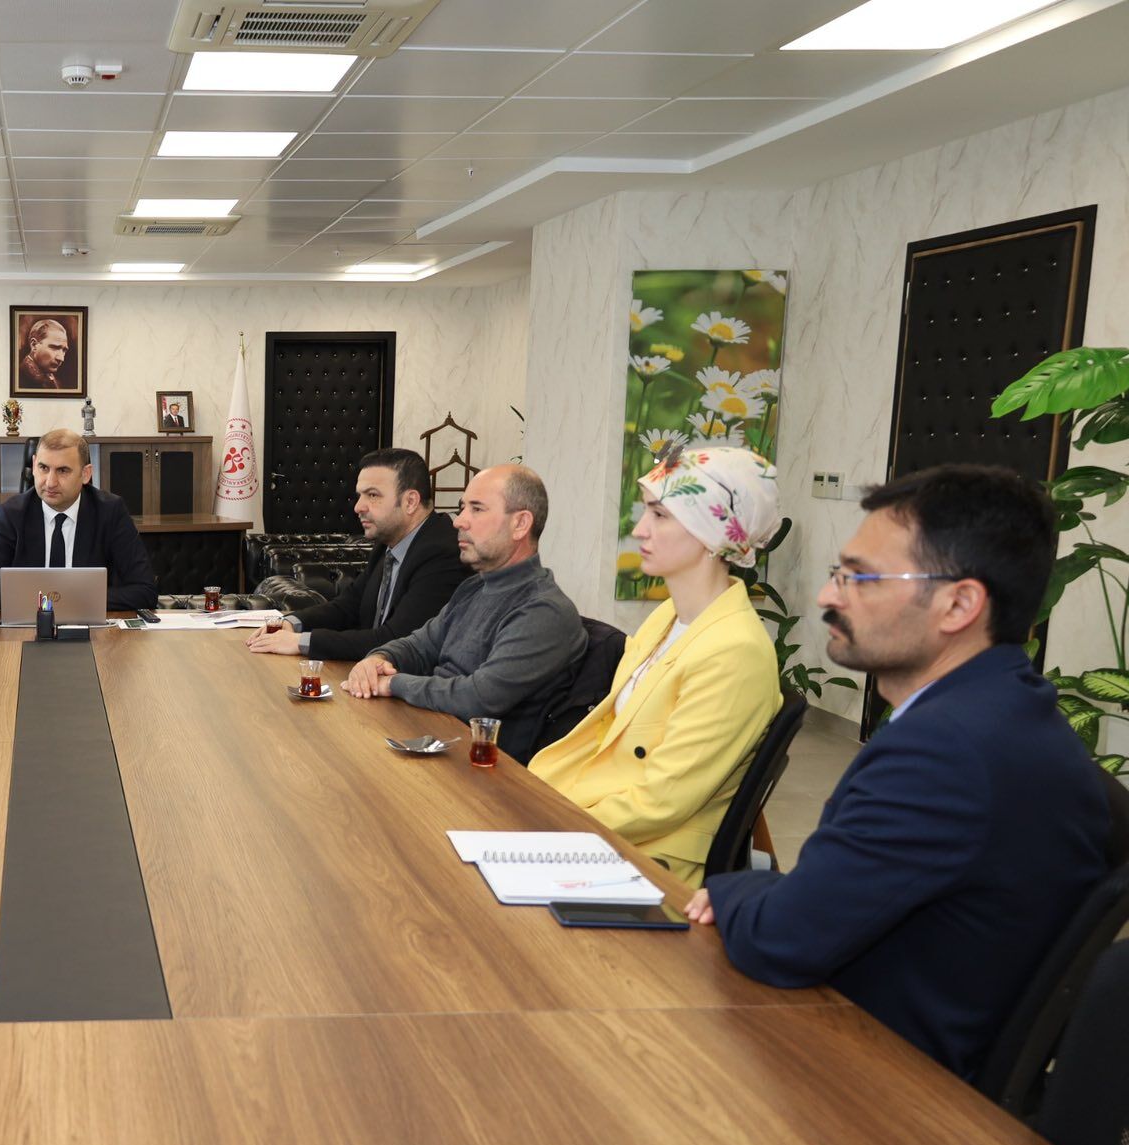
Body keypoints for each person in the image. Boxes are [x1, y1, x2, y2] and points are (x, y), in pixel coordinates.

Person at [685, 465, 1111, 1080]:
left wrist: (731, 887)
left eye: (859, 578)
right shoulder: (1001, 709)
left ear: (960, 603)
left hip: (886, 1085)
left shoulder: (945, 752)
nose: (829, 597)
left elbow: (783, 939)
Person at [528, 444, 783, 887]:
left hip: (651, 861)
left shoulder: (734, 651)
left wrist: (552, 824)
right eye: (646, 512)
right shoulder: (668, 617)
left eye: (660, 515)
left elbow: (662, 802)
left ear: (713, 532)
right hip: (603, 821)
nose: (640, 529)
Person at [343, 464, 585, 762]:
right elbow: (419, 645)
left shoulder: (544, 610)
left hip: (480, 772)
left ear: (520, 524)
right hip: (432, 738)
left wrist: (393, 683)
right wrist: (379, 660)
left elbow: (478, 697)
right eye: (462, 508)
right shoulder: (473, 588)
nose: (459, 521)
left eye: (477, 509)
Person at [249, 447, 470, 661]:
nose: (358, 507)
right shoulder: (389, 540)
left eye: (372, 495)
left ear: (410, 501)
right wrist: (292, 622)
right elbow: (349, 605)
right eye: (360, 495)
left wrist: (300, 642)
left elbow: (395, 641)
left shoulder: (442, 552)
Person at [0, 427, 158, 611]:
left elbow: (145, 591)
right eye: (43, 468)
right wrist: (58, 598)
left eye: (63, 471)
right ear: (33, 466)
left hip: (92, 633)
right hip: (26, 630)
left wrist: (68, 599)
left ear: (85, 474)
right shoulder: (11, 514)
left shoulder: (110, 512)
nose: (50, 482)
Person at [18, 318, 71, 390]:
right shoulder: (19, 379)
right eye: (54, 347)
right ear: (34, 345)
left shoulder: (56, 383)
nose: (61, 358)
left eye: (64, 350)